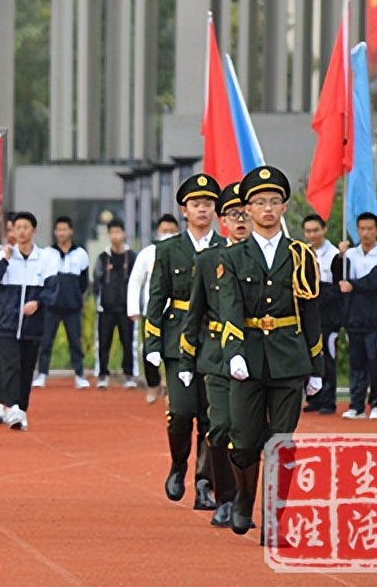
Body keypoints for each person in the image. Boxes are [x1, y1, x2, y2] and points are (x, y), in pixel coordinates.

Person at [218, 165, 323, 535]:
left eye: (274, 202)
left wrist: (316, 365)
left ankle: (275, 519)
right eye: (259, 202)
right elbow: (229, 304)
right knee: (244, 444)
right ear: (246, 209)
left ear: (283, 208)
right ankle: (245, 497)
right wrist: (233, 352)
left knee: (282, 441)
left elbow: (310, 310)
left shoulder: (300, 255)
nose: (266, 208)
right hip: (246, 356)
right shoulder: (232, 257)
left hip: (288, 356)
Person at [145, 174, 222, 511]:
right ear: (184, 210)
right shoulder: (168, 249)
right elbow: (156, 299)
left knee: (211, 416)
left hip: (215, 339)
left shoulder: (227, 248)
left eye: (207, 204)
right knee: (180, 412)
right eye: (196, 204)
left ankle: (204, 482)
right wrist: (151, 343)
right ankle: (179, 464)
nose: (202, 209)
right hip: (178, 340)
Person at [178, 182, 250, 529]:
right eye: (232, 214)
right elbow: (195, 313)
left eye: (244, 213)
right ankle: (226, 497)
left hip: (257, 356)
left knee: (250, 433)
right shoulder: (209, 261)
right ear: (223, 220)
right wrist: (188, 361)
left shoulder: (268, 257)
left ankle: (245, 500)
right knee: (220, 426)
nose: (239, 220)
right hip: (218, 356)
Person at [0, 212, 60, 431]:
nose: (22, 231)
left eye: (26, 227)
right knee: (11, 364)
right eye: (18, 227)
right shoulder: (1, 256)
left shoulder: (46, 258)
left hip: (32, 325)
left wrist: (38, 303)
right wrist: (5, 258)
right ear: (12, 231)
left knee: (26, 369)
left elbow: (52, 290)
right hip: (4, 323)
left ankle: (20, 409)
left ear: (33, 230)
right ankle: (12, 406)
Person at [338, 212, 377, 420]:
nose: (366, 233)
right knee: (357, 363)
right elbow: (339, 277)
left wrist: (353, 285)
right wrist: (340, 257)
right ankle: (356, 405)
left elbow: (376, 279)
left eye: (370, 229)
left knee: (376, 361)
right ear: (357, 230)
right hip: (355, 319)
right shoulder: (351, 254)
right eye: (362, 229)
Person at [128, 214, 181, 403]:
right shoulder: (148, 253)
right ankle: (153, 384)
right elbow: (136, 281)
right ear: (157, 232)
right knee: (148, 348)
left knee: (176, 349)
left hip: (177, 310)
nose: (168, 235)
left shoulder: (183, 251)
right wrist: (133, 308)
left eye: (172, 231)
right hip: (152, 311)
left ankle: (172, 385)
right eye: (164, 231)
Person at [34, 216, 89, 389]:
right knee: (46, 341)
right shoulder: (47, 254)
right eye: (58, 230)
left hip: (72, 306)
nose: (62, 233)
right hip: (51, 306)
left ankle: (79, 375)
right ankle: (42, 374)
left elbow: (84, 282)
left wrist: (75, 296)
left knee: (75, 342)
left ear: (71, 231)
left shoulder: (81, 254)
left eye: (65, 229)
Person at [301, 214, 343, 415]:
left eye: (315, 230)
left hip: (328, 318)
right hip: (309, 316)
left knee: (328, 358)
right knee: (309, 358)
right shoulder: (303, 253)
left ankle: (328, 400)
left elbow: (338, 288)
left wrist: (318, 290)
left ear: (323, 230)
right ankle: (314, 398)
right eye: (308, 231)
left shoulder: (335, 255)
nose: (312, 234)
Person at [93, 219, 137, 389]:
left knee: (128, 342)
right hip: (106, 308)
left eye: (118, 232)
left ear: (124, 234)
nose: (115, 236)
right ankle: (102, 375)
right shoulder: (103, 258)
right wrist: (99, 301)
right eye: (112, 233)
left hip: (126, 308)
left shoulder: (132, 257)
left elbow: (137, 280)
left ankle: (129, 375)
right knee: (103, 343)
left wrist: (135, 305)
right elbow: (97, 280)